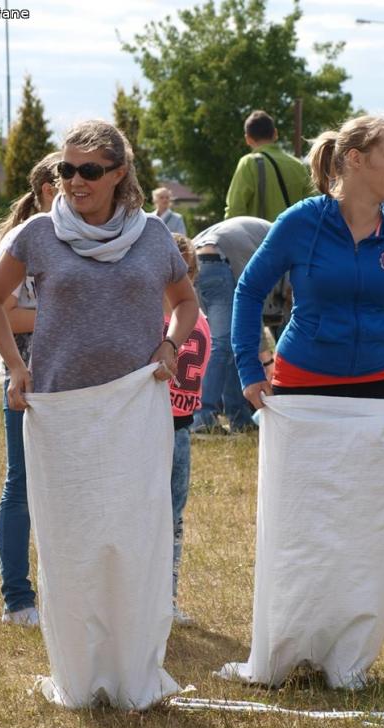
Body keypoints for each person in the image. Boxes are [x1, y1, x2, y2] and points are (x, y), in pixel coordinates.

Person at [0, 119, 199, 710]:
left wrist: (170, 345)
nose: (74, 181)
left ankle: (132, 669)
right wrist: (15, 367)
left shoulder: (153, 236)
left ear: (119, 173)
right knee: (72, 544)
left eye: (89, 171)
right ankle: (79, 671)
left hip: (133, 406)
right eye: (65, 170)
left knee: (133, 536)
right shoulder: (38, 235)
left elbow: (184, 301)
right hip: (62, 412)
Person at [218, 115, 384, 691]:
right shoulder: (301, 223)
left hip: (377, 390)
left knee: (361, 524)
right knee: (300, 524)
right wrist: (246, 365)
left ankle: (347, 658)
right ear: (355, 160)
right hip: (303, 388)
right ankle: (283, 650)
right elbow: (248, 290)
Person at [0, 151, 60, 627]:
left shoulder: (73, 237)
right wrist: (66, 314)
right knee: (22, 487)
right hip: (28, 380)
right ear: (47, 190)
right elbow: (2, 310)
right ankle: (17, 600)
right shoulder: (25, 240)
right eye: (67, 180)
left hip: (69, 384)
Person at [191, 216, 274, 434]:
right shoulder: (284, 249)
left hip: (199, 263)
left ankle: (240, 418)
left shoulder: (266, 232)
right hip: (218, 263)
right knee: (223, 344)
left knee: (228, 344)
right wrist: (268, 360)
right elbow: (254, 309)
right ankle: (202, 418)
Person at [165, 234, 211, 624]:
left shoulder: (197, 316)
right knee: (148, 514)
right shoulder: (146, 316)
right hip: (150, 430)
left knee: (174, 517)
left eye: (185, 271)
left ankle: (167, 597)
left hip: (182, 429)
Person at [225, 110, 313, 221]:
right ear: (275, 133)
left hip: (259, 237)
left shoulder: (248, 163)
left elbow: (234, 211)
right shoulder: (298, 165)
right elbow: (314, 207)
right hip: (294, 236)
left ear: (247, 139)